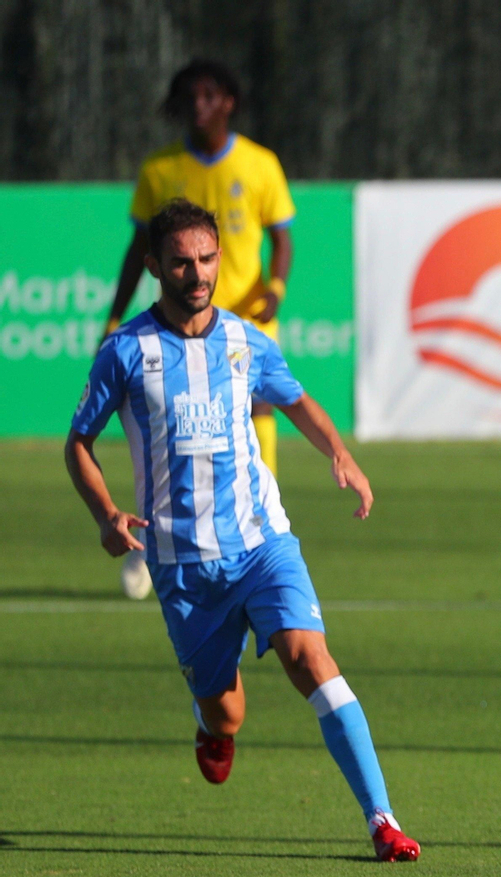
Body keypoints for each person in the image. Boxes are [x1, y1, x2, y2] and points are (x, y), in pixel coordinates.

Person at [68, 199, 420, 863]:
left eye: (205, 259)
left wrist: (340, 454)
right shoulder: (125, 352)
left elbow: (296, 400)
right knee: (227, 710)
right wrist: (107, 515)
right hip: (183, 565)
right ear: (153, 267)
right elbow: (78, 443)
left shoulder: (246, 341)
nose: (196, 273)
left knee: (310, 659)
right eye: (180, 261)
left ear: (219, 260)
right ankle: (212, 727)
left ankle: (382, 821)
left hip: (262, 544)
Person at [104, 59, 295, 600]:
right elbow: (134, 250)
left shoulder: (259, 164)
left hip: (245, 323)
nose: (199, 104)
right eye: (189, 96)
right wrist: (115, 317)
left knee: (260, 411)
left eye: (210, 95)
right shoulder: (160, 170)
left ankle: (259, 522)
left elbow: (282, 240)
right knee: (169, 432)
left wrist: (274, 291)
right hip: (178, 328)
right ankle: (152, 540)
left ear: (229, 101)